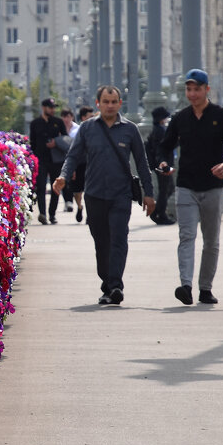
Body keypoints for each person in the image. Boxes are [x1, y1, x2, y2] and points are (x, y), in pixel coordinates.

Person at [53, 85, 154, 305]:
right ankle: (107, 283)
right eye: (105, 102)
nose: (110, 105)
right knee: (102, 243)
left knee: (119, 239)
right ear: (98, 104)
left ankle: (116, 285)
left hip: (121, 195)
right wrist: (63, 176)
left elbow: (142, 163)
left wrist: (149, 193)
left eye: (114, 101)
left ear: (120, 103)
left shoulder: (130, 130)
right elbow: (73, 156)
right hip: (95, 195)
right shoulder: (88, 129)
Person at [155, 68, 223, 306]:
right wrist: (164, 162)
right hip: (186, 185)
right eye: (189, 89)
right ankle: (186, 286)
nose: (192, 94)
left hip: (214, 188)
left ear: (207, 89)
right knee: (187, 236)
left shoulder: (222, 115)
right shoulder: (180, 118)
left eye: (197, 89)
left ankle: (205, 288)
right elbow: (164, 146)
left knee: (211, 240)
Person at [29, 97, 68, 224]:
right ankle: (42, 214)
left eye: (54, 108)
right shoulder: (35, 123)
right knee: (40, 187)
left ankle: (52, 214)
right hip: (41, 159)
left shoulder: (58, 122)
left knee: (56, 187)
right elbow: (32, 143)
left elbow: (65, 139)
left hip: (56, 159)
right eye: (50, 107)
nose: (53, 110)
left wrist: (55, 143)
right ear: (43, 108)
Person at [145, 106, 175, 225]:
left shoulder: (158, 129)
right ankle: (160, 214)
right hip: (163, 164)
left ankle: (157, 211)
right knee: (165, 189)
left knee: (169, 188)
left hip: (161, 164)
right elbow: (163, 147)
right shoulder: (160, 130)